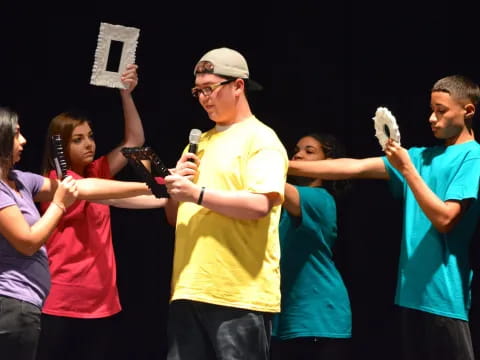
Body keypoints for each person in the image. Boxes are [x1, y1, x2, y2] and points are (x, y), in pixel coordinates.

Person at [289, 75, 480, 360]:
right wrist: (276, 164)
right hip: (408, 298)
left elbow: (445, 219)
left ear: (468, 111)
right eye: (431, 109)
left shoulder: (472, 156)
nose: (432, 118)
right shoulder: (421, 156)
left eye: (441, 111)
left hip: (444, 299)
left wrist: (407, 171)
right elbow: (353, 167)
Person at [163, 47, 289, 360]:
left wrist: (196, 193)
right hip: (188, 286)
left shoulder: (261, 139)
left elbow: (260, 204)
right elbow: (174, 217)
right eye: (198, 91)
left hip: (238, 294)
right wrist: (175, 189)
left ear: (237, 86)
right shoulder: (199, 142)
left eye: (211, 89)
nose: (204, 98)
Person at [0, 107, 153, 360]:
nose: (24, 140)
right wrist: (60, 203)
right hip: (32, 302)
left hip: (64, 302)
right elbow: (27, 242)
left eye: (91, 136)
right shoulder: (23, 186)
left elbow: (84, 187)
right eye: (16, 135)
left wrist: (157, 188)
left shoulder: (21, 180)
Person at [35, 64, 147, 360]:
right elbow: (86, 189)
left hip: (102, 303)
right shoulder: (53, 183)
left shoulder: (98, 171)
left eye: (90, 136)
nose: (89, 144)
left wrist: (126, 94)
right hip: (61, 303)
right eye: (78, 139)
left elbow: (134, 142)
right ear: (59, 145)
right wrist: (155, 189)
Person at [270, 132, 352, 360]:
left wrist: (259, 158)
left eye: (309, 151)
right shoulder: (282, 208)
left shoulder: (320, 199)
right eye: (297, 149)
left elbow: (274, 184)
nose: (298, 154)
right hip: (289, 318)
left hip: (319, 316)